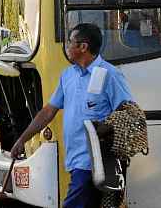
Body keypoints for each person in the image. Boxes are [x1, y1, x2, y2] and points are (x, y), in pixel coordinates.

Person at [10, 23, 133, 208]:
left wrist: (105, 129)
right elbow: (47, 112)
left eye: (70, 42)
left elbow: (129, 112)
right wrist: (23, 139)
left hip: (97, 162)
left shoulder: (110, 75)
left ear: (83, 47)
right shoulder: (67, 76)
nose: (67, 47)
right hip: (76, 161)